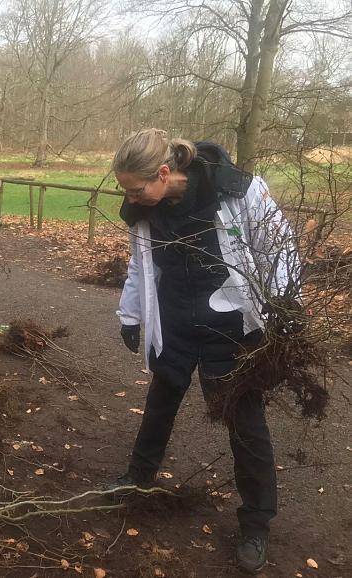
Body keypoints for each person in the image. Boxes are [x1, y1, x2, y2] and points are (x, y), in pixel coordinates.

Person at [111, 129, 298, 574]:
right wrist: (130, 314)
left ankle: (256, 521)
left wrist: (288, 309)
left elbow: (280, 249)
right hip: (175, 322)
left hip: (231, 328)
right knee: (160, 403)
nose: (132, 199)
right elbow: (141, 263)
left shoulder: (237, 190)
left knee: (245, 422)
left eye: (137, 189)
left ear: (163, 173)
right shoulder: (145, 211)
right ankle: (138, 478)